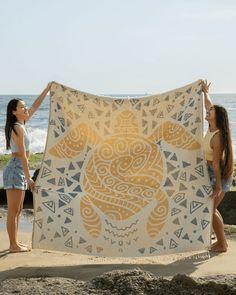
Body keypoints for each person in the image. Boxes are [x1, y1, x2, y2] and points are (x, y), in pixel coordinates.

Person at [3, 82, 52, 253]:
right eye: (22, 108)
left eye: (25, 107)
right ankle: (13, 245)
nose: (26, 109)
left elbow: (36, 105)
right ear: (14, 111)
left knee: (18, 210)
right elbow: (23, 154)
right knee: (13, 210)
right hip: (16, 169)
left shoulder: (21, 123)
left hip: (19, 169)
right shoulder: (17, 128)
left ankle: (15, 242)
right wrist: (29, 176)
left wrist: (47, 90)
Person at [202, 80, 234, 252]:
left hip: (218, 175)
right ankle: (222, 242)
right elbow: (209, 103)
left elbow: (215, 163)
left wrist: (219, 187)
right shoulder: (211, 127)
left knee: (210, 209)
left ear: (217, 116)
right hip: (212, 173)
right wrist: (205, 92)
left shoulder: (217, 137)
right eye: (208, 110)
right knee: (212, 208)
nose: (207, 111)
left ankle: (222, 244)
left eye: (210, 111)